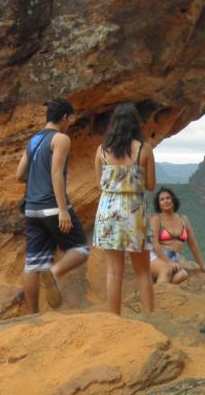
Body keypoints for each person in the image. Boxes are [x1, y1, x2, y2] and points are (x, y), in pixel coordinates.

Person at [15, 97, 89, 313]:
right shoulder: (61, 139)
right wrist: (63, 209)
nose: (69, 124)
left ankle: (33, 315)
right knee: (80, 249)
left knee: (33, 264)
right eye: (70, 120)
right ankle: (55, 273)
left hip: (31, 208)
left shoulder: (34, 140)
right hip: (52, 206)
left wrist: (35, 180)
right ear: (65, 117)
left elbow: (19, 174)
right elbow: (56, 172)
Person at [92, 102, 156, 315]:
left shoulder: (101, 151)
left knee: (113, 271)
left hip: (108, 209)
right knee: (142, 271)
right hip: (133, 210)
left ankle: (114, 319)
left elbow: (99, 184)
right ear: (135, 124)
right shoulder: (144, 150)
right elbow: (150, 185)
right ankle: (149, 317)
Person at [150, 187, 205, 284]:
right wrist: (168, 262)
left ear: (173, 200)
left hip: (174, 257)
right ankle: (158, 297)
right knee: (167, 270)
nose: (165, 201)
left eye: (168, 198)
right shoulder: (157, 219)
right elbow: (155, 244)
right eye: (162, 199)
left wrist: (202, 265)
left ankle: (156, 284)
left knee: (182, 275)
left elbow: (193, 245)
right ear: (159, 204)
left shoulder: (184, 219)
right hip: (157, 256)